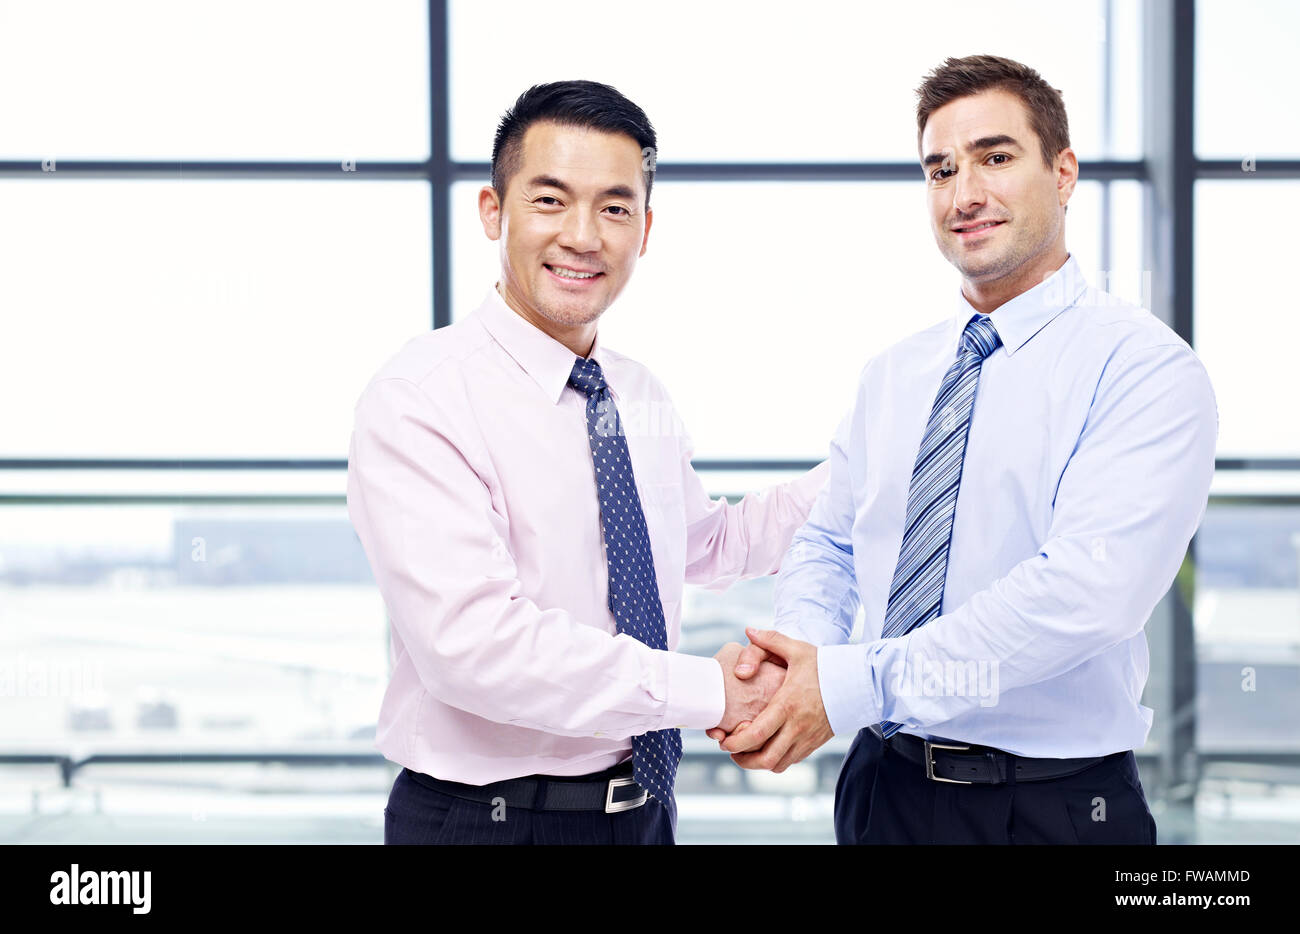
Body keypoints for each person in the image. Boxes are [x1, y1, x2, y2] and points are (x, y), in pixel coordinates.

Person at [715, 54, 1218, 845]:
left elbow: (1084, 593)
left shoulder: (1144, 369)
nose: (965, 193)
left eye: (995, 157)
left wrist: (851, 684)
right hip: (885, 789)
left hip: (1052, 807)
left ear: (1063, 172)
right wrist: (801, 655)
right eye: (941, 169)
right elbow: (831, 539)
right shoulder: (894, 373)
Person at [346, 79, 828, 845]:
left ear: (644, 229)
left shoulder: (635, 390)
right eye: (549, 201)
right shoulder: (421, 397)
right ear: (491, 212)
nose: (583, 235)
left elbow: (703, 546)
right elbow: (475, 649)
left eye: (613, 207)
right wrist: (713, 691)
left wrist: (863, 472)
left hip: (640, 814)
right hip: (488, 825)